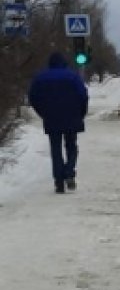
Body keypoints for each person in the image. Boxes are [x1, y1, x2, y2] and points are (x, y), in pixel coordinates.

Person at [27, 52, 89, 194]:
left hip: (51, 116)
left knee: (55, 149)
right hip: (71, 115)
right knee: (71, 146)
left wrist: (42, 112)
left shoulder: (40, 77)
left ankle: (59, 181)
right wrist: (81, 113)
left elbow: (33, 97)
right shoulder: (73, 76)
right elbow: (83, 95)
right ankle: (69, 171)